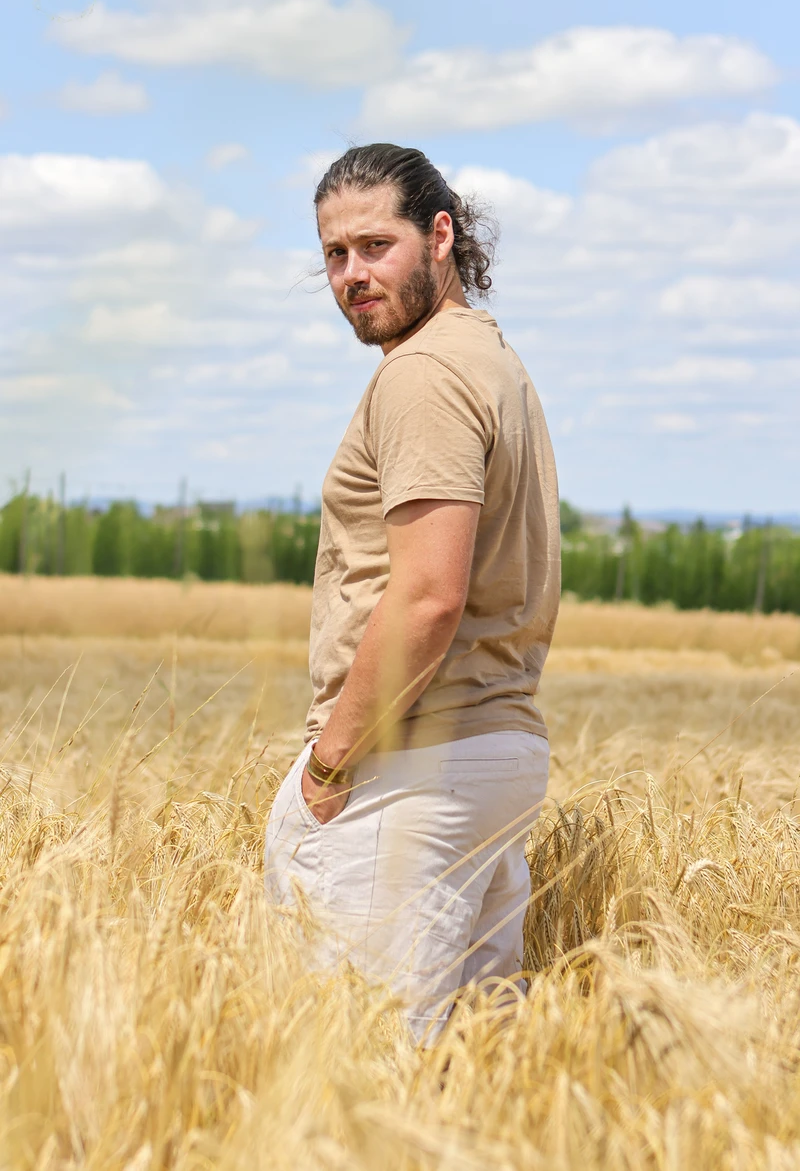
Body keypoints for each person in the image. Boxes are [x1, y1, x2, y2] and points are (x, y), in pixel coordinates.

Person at [264, 144, 561, 1044]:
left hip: (411, 765)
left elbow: (429, 597)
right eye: (334, 254)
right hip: (492, 752)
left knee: (359, 1066)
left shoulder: (424, 374)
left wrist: (326, 770)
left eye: (374, 245)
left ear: (441, 236)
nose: (352, 274)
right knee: (459, 1073)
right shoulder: (492, 361)